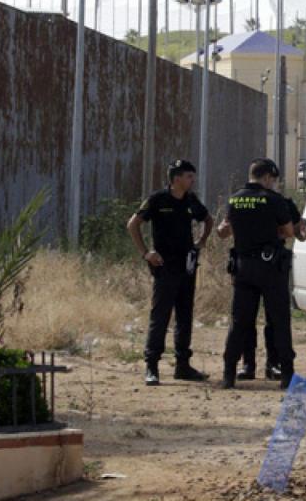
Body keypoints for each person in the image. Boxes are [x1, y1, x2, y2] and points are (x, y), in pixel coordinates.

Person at [127, 159, 214, 386]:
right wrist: (146, 253)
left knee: (185, 316)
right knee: (161, 316)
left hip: (187, 264)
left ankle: (183, 365)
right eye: (188, 177)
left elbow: (208, 219)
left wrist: (201, 241)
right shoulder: (158, 200)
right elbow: (133, 224)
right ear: (176, 179)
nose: (192, 181)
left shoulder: (190, 200)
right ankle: (152, 366)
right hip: (165, 265)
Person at [218, 159, 296, 390]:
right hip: (270, 267)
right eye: (273, 179)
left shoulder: (234, 199)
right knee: (279, 320)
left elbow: (225, 230)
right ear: (267, 177)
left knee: (239, 322)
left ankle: (229, 374)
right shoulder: (273, 200)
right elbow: (289, 231)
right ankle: (286, 375)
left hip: (243, 268)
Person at [236, 176, 306, 382]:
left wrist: (296, 227)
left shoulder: (282, 202)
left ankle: (273, 363)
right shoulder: (245, 200)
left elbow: (300, 233)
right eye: (275, 179)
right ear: (268, 178)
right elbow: (225, 229)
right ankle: (248, 364)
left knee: (273, 319)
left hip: (272, 265)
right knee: (246, 319)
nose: (276, 184)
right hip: (250, 266)